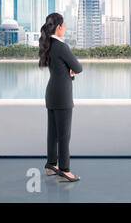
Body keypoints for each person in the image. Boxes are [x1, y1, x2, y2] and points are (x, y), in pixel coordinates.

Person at [38, 13, 82, 182]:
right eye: (64, 26)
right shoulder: (62, 47)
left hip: (51, 93)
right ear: (58, 27)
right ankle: (64, 170)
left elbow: (61, 68)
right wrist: (71, 71)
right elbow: (78, 67)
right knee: (64, 135)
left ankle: (51, 165)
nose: (65, 29)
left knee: (53, 133)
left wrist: (68, 72)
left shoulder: (47, 44)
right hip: (62, 95)